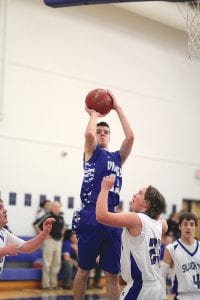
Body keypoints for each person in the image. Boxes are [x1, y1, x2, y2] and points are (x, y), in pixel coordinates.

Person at [72, 91, 134, 300]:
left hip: (112, 216)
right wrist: (94, 115)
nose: (101, 134)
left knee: (112, 274)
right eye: (99, 131)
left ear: (109, 136)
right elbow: (88, 136)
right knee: (83, 270)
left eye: (105, 132)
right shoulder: (91, 152)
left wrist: (117, 108)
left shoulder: (117, 157)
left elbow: (131, 137)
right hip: (91, 213)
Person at [96, 175, 168, 300]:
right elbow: (165, 225)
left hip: (140, 288)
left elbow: (101, 216)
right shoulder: (158, 224)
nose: (134, 195)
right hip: (158, 287)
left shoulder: (135, 219)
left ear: (147, 203)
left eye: (140, 193)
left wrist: (105, 189)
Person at [0, 198, 55, 273]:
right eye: (0, 208)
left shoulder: (4, 232)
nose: (5, 210)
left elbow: (28, 248)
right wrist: (4, 251)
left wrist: (44, 232)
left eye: (4, 207)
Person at [161, 211, 200, 300]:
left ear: (196, 227)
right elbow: (162, 275)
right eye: (185, 224)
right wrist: (163, 296)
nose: (188, 227)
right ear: (179, 226)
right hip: (181, 296)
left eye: (192, 224)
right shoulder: (171, 248)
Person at [33, 201, 65, 289]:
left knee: (57, 263)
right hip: (49, 241)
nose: (57, 209)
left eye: (58, 207)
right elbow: (35, 225)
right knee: (47, 263)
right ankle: (46, 285)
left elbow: (63, 227)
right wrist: (43, 235)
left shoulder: (61, 217)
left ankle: (53, 284)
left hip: (58, 242)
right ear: (52, 208)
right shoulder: (48, 215)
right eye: (55, 207)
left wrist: (62, 235)